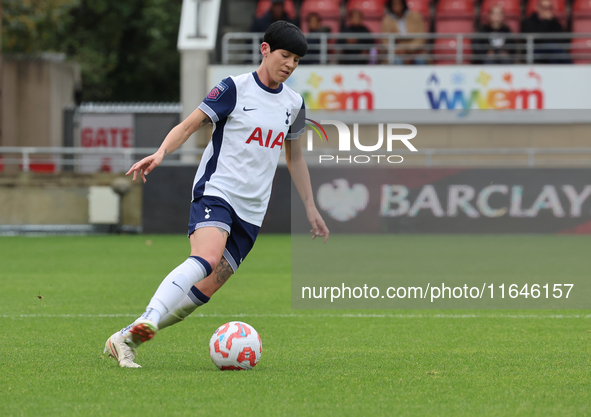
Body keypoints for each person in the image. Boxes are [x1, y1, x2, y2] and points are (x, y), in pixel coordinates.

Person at [104, 21, 330, 368]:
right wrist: (162, 152)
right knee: (207, 257)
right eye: (285, 55)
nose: (290, 65)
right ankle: (149, 315)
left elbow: (294, 157)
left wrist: (311, 208)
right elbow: (189, 124)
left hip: (252, 212)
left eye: (297, 60)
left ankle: (125, 338)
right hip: (218, 192)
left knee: (199, 295)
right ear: (265, 49)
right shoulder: (233, 89)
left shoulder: (294, 103)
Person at [381, 0, 427, 64]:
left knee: (421, 59)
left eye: (399, 3)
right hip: (397, 53)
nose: (396, 5)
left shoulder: (416, 16)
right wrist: (398, 50)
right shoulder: (387, 20)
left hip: (416, 51)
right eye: (394, 3)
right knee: (396, 60)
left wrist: (408, 49)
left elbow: (421, 38)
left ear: (403, 4)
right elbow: (386, 42)